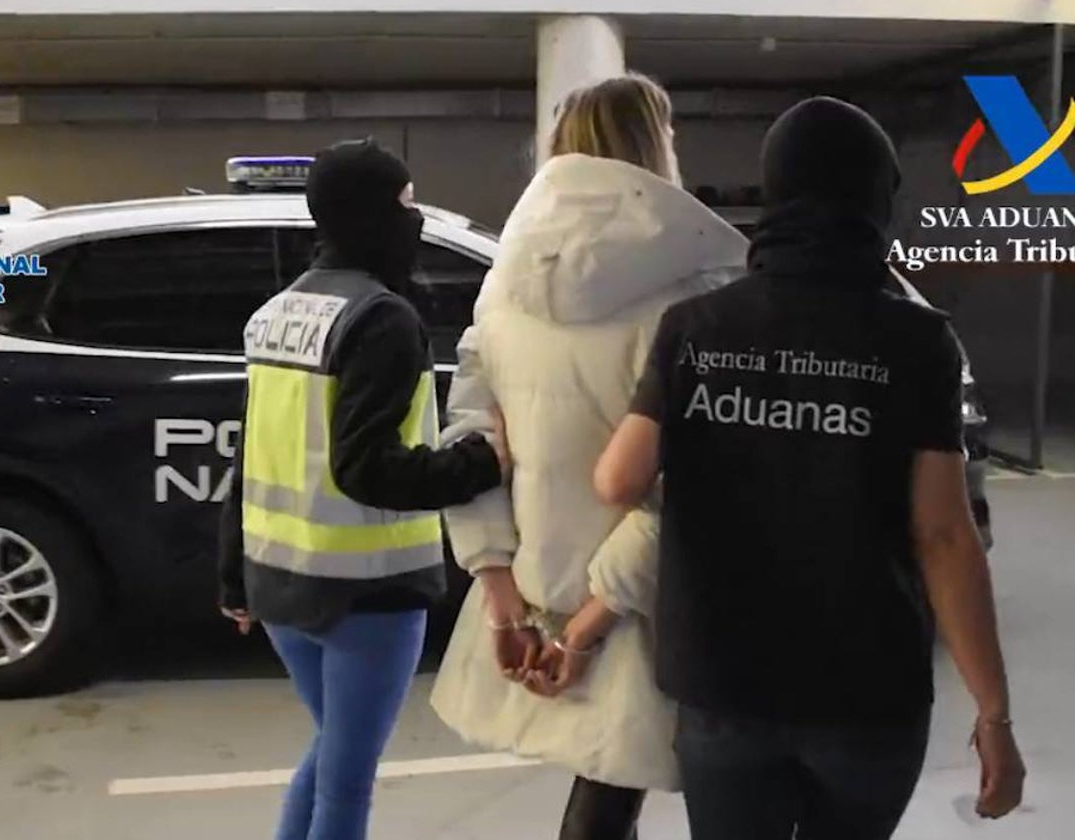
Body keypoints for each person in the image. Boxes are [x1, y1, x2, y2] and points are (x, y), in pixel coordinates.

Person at [594, 97, 1026, 839]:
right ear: (875, 198)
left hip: (722, 687)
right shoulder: (917, 340)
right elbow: (945, 537)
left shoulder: (694, 328)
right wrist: (993, 714)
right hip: (865, 696)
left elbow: (619, 481)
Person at [430, 74, 749, 840]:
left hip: (537, 589)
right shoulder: (697, 296)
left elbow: (470, 449)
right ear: (651, 151)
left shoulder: (502, 288)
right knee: (636, 804)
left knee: (604, 801)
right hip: (652, 606)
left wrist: (500, 586)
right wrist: (592, 622)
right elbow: (690, 487)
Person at [217, 138, 510, 840]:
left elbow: (249, 455)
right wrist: (481, 461)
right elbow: (367, 468)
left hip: (282, 586)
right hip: (366, 592)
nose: (414, 219)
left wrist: (235, 578)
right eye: (406, 204)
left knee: (329, 760)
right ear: (372, 213)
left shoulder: (280, 312)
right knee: (346, 784)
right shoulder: (382, 319)